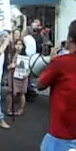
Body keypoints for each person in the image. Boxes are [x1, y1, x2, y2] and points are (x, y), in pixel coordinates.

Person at [38, 20, 76, 151]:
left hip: (62, 135)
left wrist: (52, 62)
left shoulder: (61, 63)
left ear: (70, 39)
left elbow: (40, 84)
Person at [6, 39, 28, 116]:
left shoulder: (26, 55)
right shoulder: (10, 54)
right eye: (17, 44)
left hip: (22, 76)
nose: (18, 46)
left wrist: (27, 73)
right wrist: (11, 65)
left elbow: (29, 67)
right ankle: (9, 108)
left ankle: (20, 109)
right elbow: (6, 66)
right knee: (12, 92)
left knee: (22, 93)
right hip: (12, 75)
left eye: (20, 44)